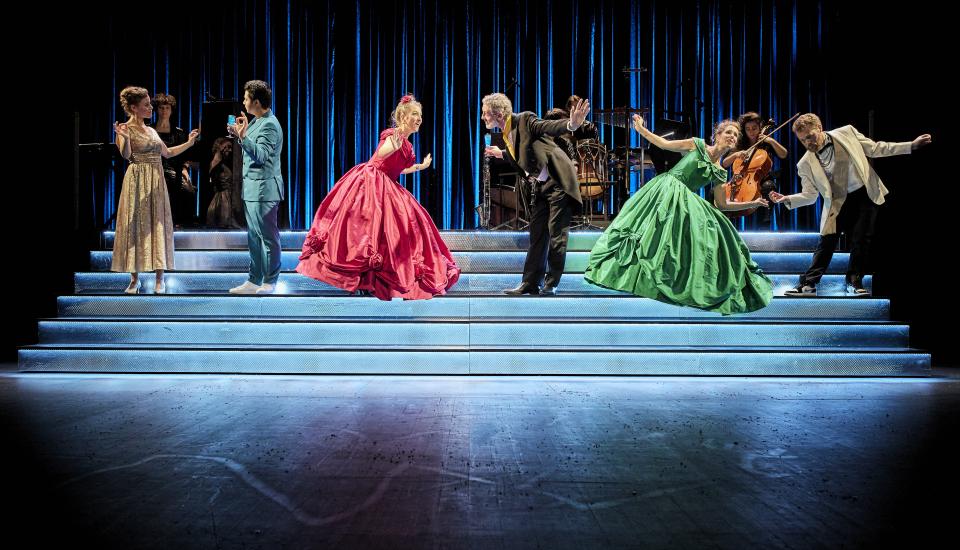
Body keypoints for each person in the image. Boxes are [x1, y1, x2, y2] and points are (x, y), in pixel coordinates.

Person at [584, 115, 773, 315]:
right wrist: (641, 130)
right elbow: (664, 144)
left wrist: (753, 202)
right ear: (717, 135)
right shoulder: (697, 145)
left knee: (714, 229)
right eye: (728, 132)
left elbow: (722, 204)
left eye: (735, 134)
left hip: (685, 200)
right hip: (666, 188)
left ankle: (678, 278)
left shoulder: (720, 171)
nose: (732, 136)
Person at [296, 94, 460, 300]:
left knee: (403, 226)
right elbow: (380, 155)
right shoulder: (392, 135)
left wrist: (420, 166)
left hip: (389, 184)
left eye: (420, 115)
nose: (419, 119)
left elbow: (400, 169)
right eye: (415, 114)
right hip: (371, 181)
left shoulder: (408, 146)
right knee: (365, 230)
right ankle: (359, 277)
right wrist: (394, 144)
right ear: (403, 117)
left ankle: (376, 278)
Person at [770, 113, 932, 296]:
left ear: (820, 128)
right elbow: (810, 195)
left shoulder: (846, 132)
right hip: (837, 201)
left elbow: (875, 149)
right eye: (802, 140)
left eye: (810, 136)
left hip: (864, 194)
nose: (808, 142)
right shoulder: (804, 164)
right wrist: (788, 199)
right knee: (826, 242)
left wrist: (910, 145)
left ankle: (854, 282)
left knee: (861, 239)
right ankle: (809, 284)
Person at [481, 92, 589, 296]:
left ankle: (551, 283)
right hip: (542, 186)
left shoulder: (525, 120)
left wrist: (571, 125)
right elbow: (521, 153)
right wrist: (501, 153)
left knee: (557, 234)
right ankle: (530, 282)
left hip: (559, 181)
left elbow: (548, 126)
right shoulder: (507, 133)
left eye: (485, 113)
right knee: (537, 233)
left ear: (498, 113)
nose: (483, 117)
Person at [112, 86, 198, 294]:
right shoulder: (125, 128)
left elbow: (167, 153)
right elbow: (126, 155)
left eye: (150, 104)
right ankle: (134, 279)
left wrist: (189, 143)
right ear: (134, 108)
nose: (151, 108)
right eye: (146, 105)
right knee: (135, 226)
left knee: (158, 224)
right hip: (136, 181)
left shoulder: (151, 131)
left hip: (156, 180)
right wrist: (124, 138)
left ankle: (160, 278)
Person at [227, 80, 285, 295]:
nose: (243, 102)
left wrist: (243, 136)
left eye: (246, 99)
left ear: (257, 102)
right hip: (252, 188)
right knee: (254, 237)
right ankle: (254, 279)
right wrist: (240, 133)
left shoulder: (270, 124)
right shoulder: (257, 121)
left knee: (268, 237)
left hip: (264, 190)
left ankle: (270, 280)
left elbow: (260, 155)